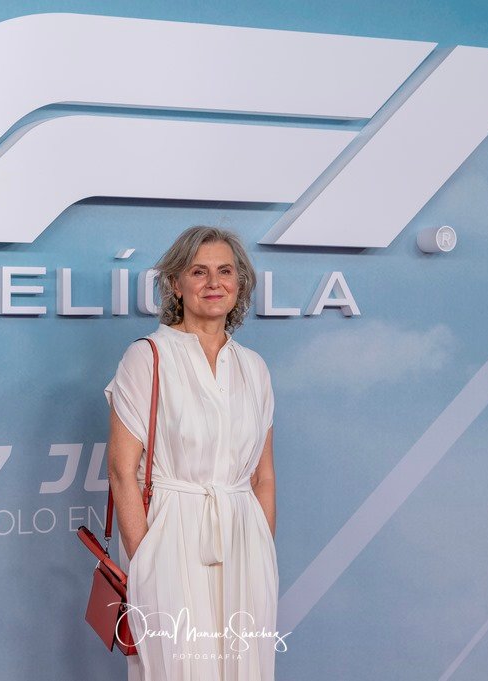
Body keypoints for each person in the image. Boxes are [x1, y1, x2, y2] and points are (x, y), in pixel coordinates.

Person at [104, 225, 278, 681]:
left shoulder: (254, 368)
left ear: (240, 283)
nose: (214, 282)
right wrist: (146, 558)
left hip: (244, 537)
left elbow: (263, 476)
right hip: (170, 534)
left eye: (225, 271)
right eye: (199, 272)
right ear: (175, 284)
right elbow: (122, 471)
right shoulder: (147, 357)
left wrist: (262, 550)